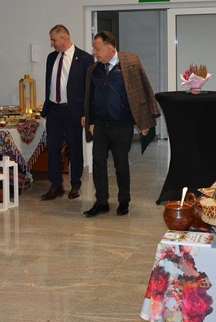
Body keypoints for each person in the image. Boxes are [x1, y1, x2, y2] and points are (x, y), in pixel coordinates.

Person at [83, 31, 160, 217]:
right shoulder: (93, 69)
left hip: (122, 125)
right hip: (100, 125)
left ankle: (124, 201)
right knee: (98, 163)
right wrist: (90, 121)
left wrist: (145, 121)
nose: (94, 52)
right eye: (94, 49)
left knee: (121, 164)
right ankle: (101, 202)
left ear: (110, 48)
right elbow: (89, 98)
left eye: (97, 49)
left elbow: (143, 89)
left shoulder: (130, 63)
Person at [40, 25, 93, 200]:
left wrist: (86, 113)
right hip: (54, 110)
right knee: (53, 149)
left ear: (64, 38)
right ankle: (56, 185)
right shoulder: (51, 58)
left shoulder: (84, 58)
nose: (52, 43)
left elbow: (89, 89)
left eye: (54, 40)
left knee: (75, 149)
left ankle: (75, 185)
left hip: (73, 111)